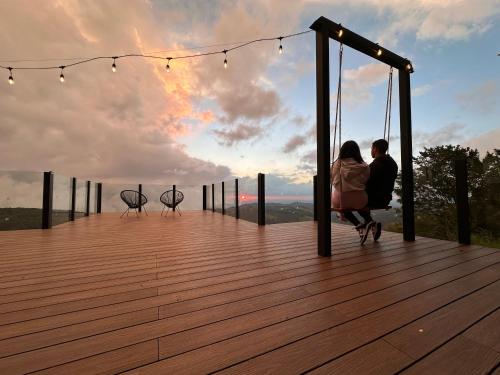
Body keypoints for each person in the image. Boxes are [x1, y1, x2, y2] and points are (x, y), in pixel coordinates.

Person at [331, 140, 372, 244]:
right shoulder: (364, 166)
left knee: (343, 206)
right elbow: (366, 180)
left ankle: (359, 225)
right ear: (357, 151)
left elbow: (331, 178)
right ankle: (370, 222)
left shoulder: (337, 164)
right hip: (360, 199)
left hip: (340, 200)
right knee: (358, 204)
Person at [364, 139, 399, 240]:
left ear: (375, 149)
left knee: (353, 200)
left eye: (371, 148)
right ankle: (369, 224)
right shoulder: (392, 163)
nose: (371, 151)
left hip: (374, 199)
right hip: (386, 198)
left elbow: (368, 183)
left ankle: (370, 223)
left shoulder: (375, 165)